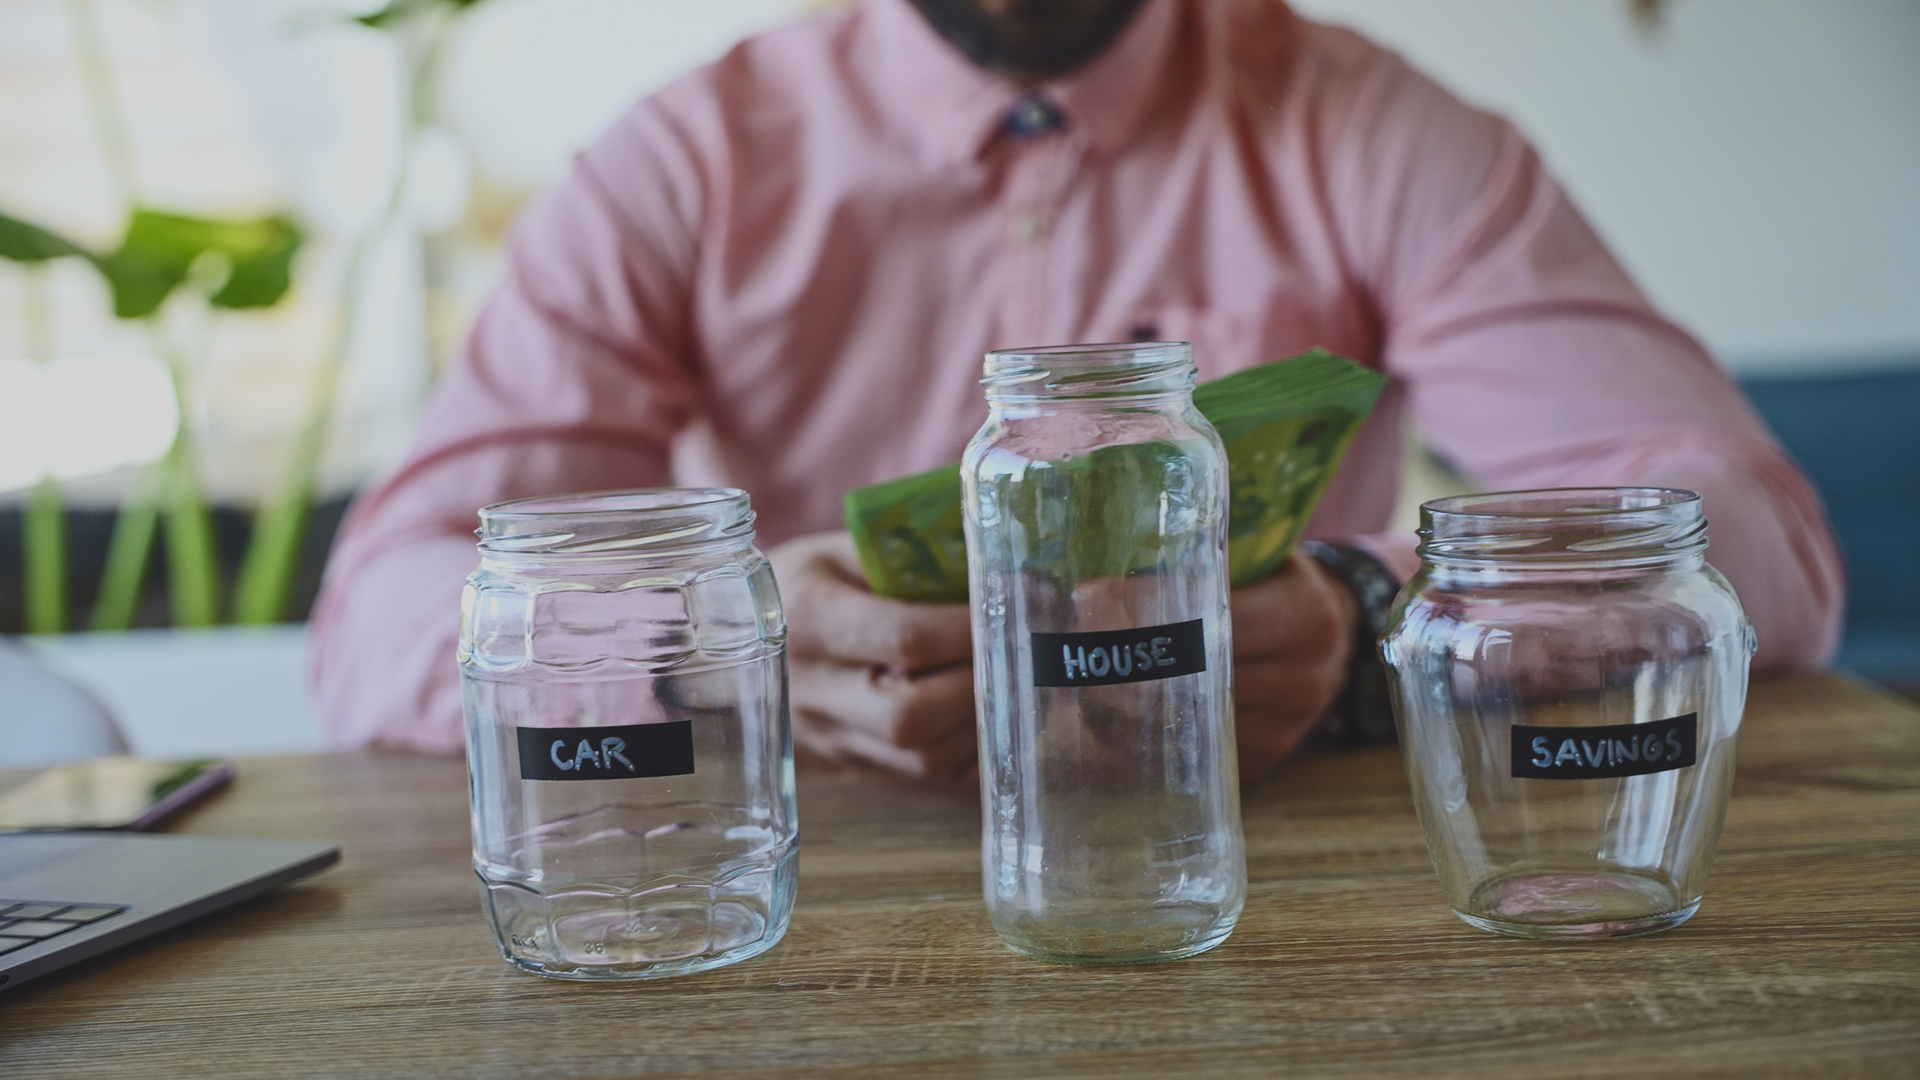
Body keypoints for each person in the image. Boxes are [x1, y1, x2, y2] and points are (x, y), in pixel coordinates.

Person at [308, 0, 1843, 780]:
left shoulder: (1369, 126)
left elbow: (1757, 539)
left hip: (1284, 875)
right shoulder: (685, 167)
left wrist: (1375, 628)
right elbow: (380, 614)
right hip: (805, 903)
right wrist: (727, 643)